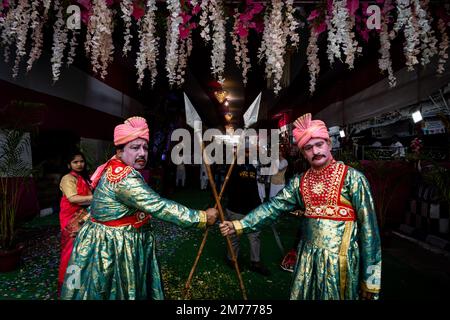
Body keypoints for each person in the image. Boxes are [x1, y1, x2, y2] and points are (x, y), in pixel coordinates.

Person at [220, 113, 382, 300]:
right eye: (308, 148)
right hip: (307, 263)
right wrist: (240, 225)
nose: (315, 151)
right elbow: (272, 208)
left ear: (329, 144)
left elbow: (370, 231)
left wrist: (371, 281)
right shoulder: (300, 182)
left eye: (319, 145)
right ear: (303, 153)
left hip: (341, 265)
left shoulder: (353, 179)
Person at [60, 117, 218, 300]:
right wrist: (202, 217)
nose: (142, 153)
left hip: (99, 238)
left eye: (145, 148)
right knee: (115, 290)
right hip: (114, 245)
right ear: (119, 152)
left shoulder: (112, 165)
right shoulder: (125, 178)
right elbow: (159, 206)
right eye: (135, 148)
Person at [225, 143, 270, 276]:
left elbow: (255, 186)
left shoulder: (252, 167)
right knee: (234, 236)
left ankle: (255, 262)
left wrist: (259, 203)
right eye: (245, 152)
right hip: (235, 207)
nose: (248, 154)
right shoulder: (232, 166)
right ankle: (232, 259)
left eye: (249, 152)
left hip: (252, 208)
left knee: (255, 235)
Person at [58, 151, 93, 296]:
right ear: (69, 165)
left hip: (84, 217)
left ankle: (81, 284)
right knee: (71, 252)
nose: (79, 164)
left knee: (82, 250)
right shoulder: (68, 178)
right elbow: (73, 199)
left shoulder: (84, 178)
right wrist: (97, 198)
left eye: (81, 161)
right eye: (75, 162)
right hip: (71, 219)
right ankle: (68, 287)